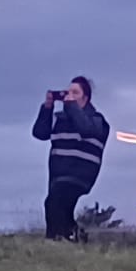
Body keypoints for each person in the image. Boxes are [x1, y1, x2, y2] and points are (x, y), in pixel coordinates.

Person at [33, 78, 109, 241]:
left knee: (53, 203)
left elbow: (86, 128)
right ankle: (74, 236)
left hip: (80, 174)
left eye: (76, 93)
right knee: (62, 209)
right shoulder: (59, 119)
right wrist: (47, 108)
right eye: (69, 92)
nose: (71, 96)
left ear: (85, 98)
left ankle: (54, 239)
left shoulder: (97, 120)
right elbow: (40, 133)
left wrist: (71, 107)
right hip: (58, 174)